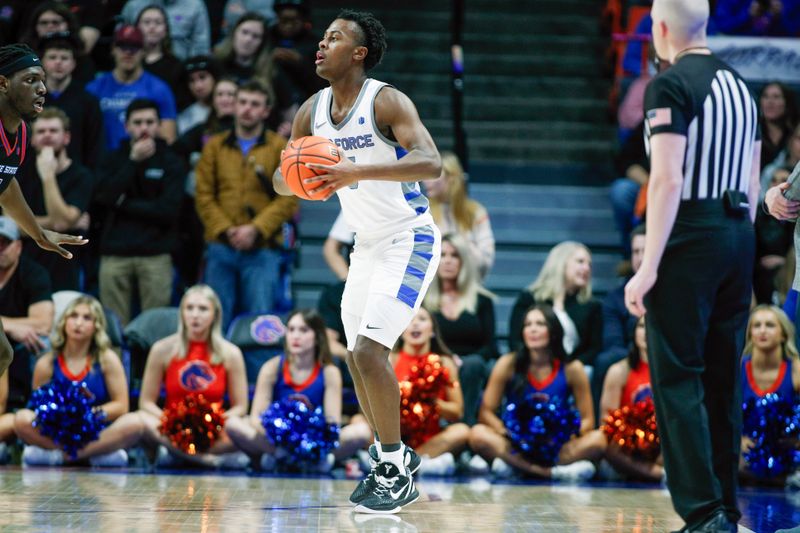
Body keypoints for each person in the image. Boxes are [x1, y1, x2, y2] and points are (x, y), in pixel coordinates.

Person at [272, 10, 442, 514]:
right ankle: (393, 459)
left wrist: (352, 172)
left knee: (369, 353)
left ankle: (392, 466)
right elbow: (282, 178)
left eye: (335, 37)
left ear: (360, 53)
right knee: (354, 357)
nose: (321, 44)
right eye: (322, 37)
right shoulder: (312, 110)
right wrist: (305, 178)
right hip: (366, 245)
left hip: (408, 238)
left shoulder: (385, 100)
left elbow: (431, 161)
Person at [623, 1, 761, 530]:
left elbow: (667, 180)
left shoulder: (670, 84)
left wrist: (649, 265)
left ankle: (703, 515)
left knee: (678, 377)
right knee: (724, 378)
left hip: (690, 235)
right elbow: (750, 180)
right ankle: (726, 506)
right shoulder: (741, 86)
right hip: (738, 232)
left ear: (660, 29)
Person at [0, 43, 87, 380]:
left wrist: (38, 234)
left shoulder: (20, 134)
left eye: (44, 80)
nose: (42, 89)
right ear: (3, 83)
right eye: (31, 79)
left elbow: (5, 187)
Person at [195, 79, 296, 329]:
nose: (247, 109)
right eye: (242, 102)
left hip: (263, 248)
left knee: (259, 325)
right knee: (214, 321)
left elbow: (290, 196)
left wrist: (256, 229)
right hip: (221, 245)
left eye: (255, 104)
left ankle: (258, 369)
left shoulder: (279, 148)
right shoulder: (215, 147)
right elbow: (204, 195)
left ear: (265, 111)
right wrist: (227, 229)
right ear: (234, 105)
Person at [468, 304, 606, 480]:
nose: (532, 329)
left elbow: (588, 421)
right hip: (517, 444)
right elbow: (485, 413)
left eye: (540, 324)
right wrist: (508, 433)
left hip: (556, 446)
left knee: (599, 439)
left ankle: (514, 467)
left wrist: (562, 437)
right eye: (528, 325)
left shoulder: (572, 368)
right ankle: (550, 472)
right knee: (477, 434)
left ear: (554, 330)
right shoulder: (508, 363)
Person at [225, 309, 372, 468]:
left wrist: (308, 440)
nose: (295, 336)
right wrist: (283, 435)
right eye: (291, 329)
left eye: (303, 330)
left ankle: (289, 459)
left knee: (361, 431)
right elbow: (256, 418)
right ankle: (294, 458)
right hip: (277, 442)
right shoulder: (272, 368)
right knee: (233, 423)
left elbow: (332, 422)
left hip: (314, 441)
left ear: (317, 337)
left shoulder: (330, 372)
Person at [14, 295, 143, 467]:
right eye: (73, 316)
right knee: (21, 419)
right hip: (58, 431)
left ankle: (62, 456)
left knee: (135, 423)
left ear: (96, 326)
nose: (78, 323)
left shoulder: (107, 359)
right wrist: (63, 415)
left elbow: (121, 405)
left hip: (95, 430)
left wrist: (86, 415)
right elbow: (38, 406)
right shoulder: (46, 363)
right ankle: (92, 455)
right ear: (64, 321)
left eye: (87, 318)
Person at [92, 99, 184, 326]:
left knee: (154, 329)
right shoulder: (113, 159)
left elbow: (168, 211)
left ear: (159, 125)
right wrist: (133, 162)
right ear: (127, 127)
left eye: (150, 122)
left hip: (156, 254)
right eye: (138, 122)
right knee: (113, 328)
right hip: (114, 254)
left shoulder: (172, 161)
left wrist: (123, 204)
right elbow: (103, 198)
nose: (144, 128)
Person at [138, 284, 249, 468]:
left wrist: (213, 424)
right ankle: (202, 459)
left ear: (215, 314)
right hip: (170, 429)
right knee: (139, 419)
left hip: (214, 430)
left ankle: (177, 454)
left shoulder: (231, 353)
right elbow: (146, 403)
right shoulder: (161, 349)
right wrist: (171, 422)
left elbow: (240, 407)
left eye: (203, 309)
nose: (195, 315)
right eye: (189, 308)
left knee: (241, 426)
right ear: (181, 313)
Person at [423, 233, 496, 426]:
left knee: (473, 365)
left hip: (471, 364)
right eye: (443, 255)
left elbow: (490, 347)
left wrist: (460, 362)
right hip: (435, 360)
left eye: (454, 255)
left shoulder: (482, 300)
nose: (448, 261)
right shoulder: (422, 299)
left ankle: (465, 425)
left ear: (464, 261)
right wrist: (447, 359)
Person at [19, 107, 94, 292]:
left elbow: (60, 223)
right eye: (41, 131)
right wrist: (69, 221)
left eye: (53, 131)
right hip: (27, 265)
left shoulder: (81, 175)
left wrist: (48, 176)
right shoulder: (21, 172)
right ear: (33, 139)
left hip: (66, 268)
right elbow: (12, 225)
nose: (47, 135)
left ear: (66, 137)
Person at [391, 308, 469, 476]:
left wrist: (431, 402)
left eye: (422, 319)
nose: (415, 323)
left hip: (431, 436)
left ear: (432, 330)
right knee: (360, 423)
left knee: (462, 430)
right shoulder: (390, 359)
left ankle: (403, 465)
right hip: (395, 435)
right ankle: (423, 465)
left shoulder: (445, 362)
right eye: (410, 319)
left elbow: (457, 411)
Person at [508, 241, 602, 367]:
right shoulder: (529, 298)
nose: (587, 268)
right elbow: (515, 341)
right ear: (560, 263)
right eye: (580, 262)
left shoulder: (592, 306)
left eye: (589, 264)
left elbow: (594, 349)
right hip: (533, 366)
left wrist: (574, 367)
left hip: (574, 369)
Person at [86, 25, 178, 151]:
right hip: (104, 165)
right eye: (122, 46)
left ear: (143, 51)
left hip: (145, 162)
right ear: (113, 49)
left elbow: (168, 140)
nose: (128, 52)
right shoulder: (94, 88)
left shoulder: (159, 89)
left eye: (134, 47)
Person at [739, 305, 800, 483]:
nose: (763, 331)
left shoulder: (795, 369)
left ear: (783, 334)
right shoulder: (738, 369)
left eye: (770, 325)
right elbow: (719, 414)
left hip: (787, 451)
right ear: (750, 333)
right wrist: (738, 440)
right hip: (746, 454)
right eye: (757, 325)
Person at [599, 316, 663, 482]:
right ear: (634, 332)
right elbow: (606, 423)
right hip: (627, 448)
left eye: (653, 325)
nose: (647, 332)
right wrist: (634, 438)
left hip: (662, 448)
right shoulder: (619, 371)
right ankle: (661, 475)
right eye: (642, 326)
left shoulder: (674, 373)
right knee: (603, 442)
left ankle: (654, 471)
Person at [592, 225, 645, 414]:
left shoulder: (672, 292)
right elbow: (612, 342)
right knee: (606, 360)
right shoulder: (615, 298)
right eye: (636, 251)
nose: (640, 257)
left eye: (645, 251)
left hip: (666, 357)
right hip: (629, 357)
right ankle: (604, 430)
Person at [422, 152, 495, 279]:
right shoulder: (423, 213)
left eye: (433, 175)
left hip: (469, 285)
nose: (425, 181)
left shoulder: (476, 212)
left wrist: (464, 245)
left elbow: (486, 262)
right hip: (432, 289)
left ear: (451, 178)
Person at [39, 32, 104, 169]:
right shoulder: (32, 98)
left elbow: (95, 145)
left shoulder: (88, 101)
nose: (58, 62)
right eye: (52, 57)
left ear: (73, 63)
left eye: (64, 58)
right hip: (34, 175)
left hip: (77, 176)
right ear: (43, 62)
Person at [121, 0, 211, 61]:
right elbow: (121, 42)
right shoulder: (133, 6)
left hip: (181, 71)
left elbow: (201, 48)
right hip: (139, 70)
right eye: (147, 22)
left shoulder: (195, 6)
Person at [136, 5, 188, 109]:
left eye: (158, 23)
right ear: (137, 28)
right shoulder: (129, 62)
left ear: (165, 30)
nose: (152, 27)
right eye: (146, 22)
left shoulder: (176, 66)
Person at [757, 82, 799, 172]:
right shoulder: (753, 133)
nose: (770, 102)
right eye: (765, 96)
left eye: (776, 97)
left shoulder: (796, 133)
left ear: (787, 103)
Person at [176, 56, 219, 135]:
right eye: (192, 80)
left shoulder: (227, 107)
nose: (198, 86)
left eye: (202, 77)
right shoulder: (185, 117)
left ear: (214, 78)